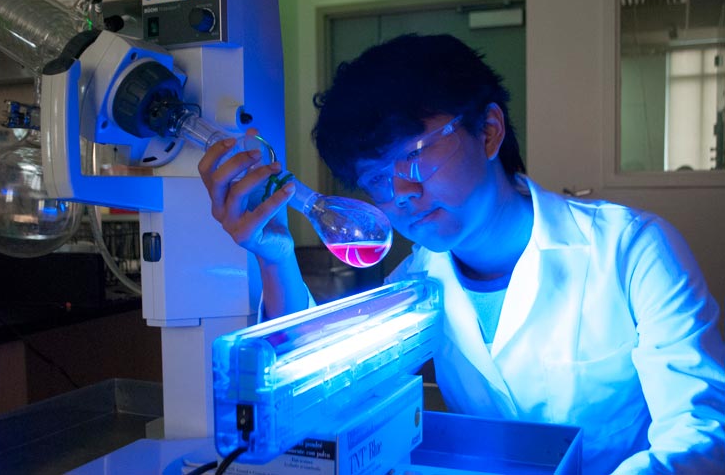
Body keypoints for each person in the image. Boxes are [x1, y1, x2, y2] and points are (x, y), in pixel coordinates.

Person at [198, 33, 725, 474]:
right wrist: (275, 258)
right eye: (377, 178)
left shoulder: (633, 252)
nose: (400, 193)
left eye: (414, 156)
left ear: (489, 131)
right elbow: (322, 401)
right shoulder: (414, 286)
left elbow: (702, 433)